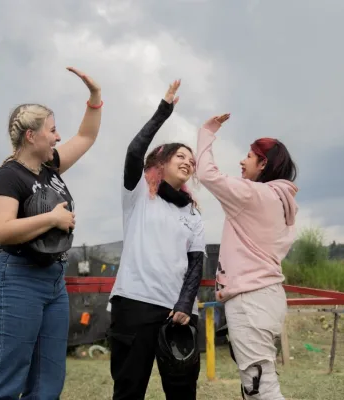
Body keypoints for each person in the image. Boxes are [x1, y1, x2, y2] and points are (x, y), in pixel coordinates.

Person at [0, 67, 103, 400]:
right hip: (17, 278)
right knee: (3, 383)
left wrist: (94, 96)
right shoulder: (8, 177)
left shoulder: (50, 167)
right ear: (31, 136)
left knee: (48, 384)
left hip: (53, 281)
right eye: (52, 130)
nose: (58, 137)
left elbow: (86, 137)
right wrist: (52, 218)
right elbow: (2, 231)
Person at [107, 80, 206, 400]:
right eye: (181, 155)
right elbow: (134, 151)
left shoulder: (193, 212)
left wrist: (185, 304)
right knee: (129, 389)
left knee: (183, 393)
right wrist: (164, 110)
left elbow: (196, 264)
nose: (188, 162)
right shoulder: (138, 193)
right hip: (134, 305)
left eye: (192, 160)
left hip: (176, 314)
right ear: (162, 161)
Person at [195, 113, 298, 400]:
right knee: (256, 384)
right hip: (267, 297)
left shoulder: (254, 195)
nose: (242, 161)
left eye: (249, 156)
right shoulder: (283, 202)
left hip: (250, 300)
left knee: (260, 389)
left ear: (263, 164)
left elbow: (208, 175)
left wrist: (207, 131)